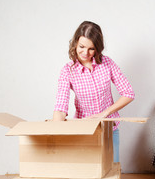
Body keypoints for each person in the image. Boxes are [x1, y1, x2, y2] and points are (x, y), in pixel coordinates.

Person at [53, 21, 135, 162]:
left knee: (112, 171)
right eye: (82, 47)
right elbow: (60, 108)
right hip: (84, 130)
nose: (85, 53)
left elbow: (128, 93)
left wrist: (104, 114)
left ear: (98, 48)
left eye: (91, 49)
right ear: (75, 43)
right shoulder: (68, 70)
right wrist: (55, 136)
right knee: (88, 173)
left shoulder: (107, 63)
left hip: (109, 128)